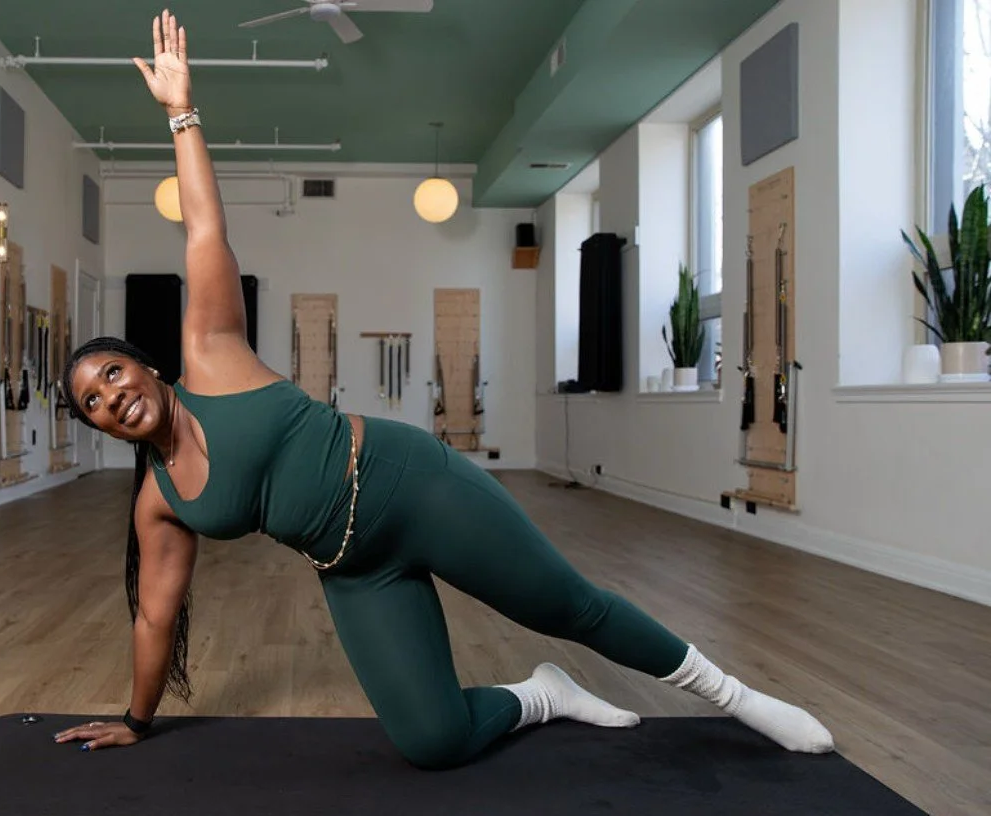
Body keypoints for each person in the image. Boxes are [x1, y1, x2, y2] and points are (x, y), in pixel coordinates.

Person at [54, 9, 835, 770]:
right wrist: (135, 720)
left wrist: (182, 112)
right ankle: (542, 695)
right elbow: (155, 615)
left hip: (410, 484)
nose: (110, 397)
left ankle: (736, 696)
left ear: (145, 365)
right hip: (354, 568)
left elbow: (202, 231)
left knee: (568, 607)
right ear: (101, 428)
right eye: (92, 401)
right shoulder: (160, 502)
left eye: (112, 373)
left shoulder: (212, 350)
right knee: (432, 743)